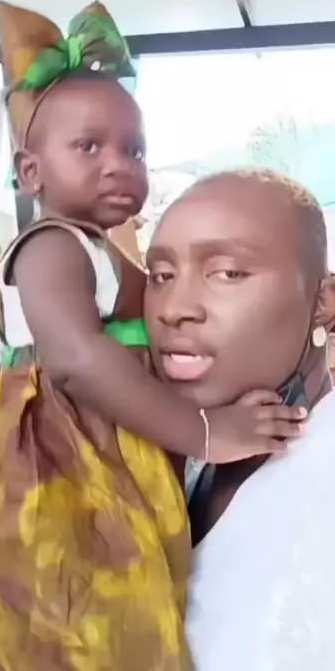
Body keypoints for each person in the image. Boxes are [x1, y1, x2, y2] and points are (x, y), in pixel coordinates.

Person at [0, 4, 304, 671]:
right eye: (89, 147)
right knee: (78, 614)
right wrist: (206, 431)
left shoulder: (98, 248)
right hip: (56, 464)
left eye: (133, 151)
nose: (118, 166)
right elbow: (78, 361)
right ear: (31, 173)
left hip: (102, 448)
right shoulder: (50, 245)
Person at [144, 169, 335, 671]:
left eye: (227, 273)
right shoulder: (173, 458)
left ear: (322, 302)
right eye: (160, 276)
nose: (174, 309)